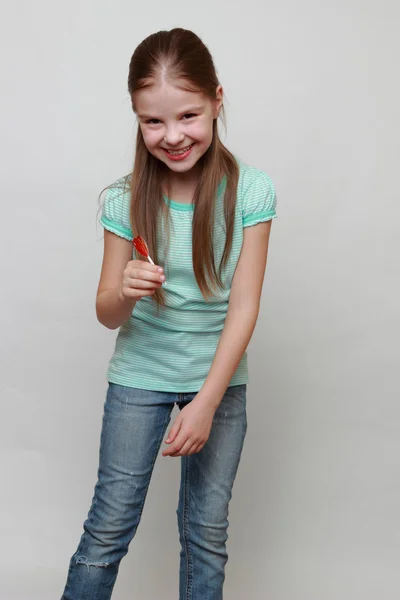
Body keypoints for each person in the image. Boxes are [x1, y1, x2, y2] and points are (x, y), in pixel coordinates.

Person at [61, 26, 277, 600]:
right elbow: (108, 313)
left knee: (206, 534)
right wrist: (126, 290)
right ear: (136, 117)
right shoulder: (123, 198)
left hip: (220, 383)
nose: (173, 136)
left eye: (188, 115)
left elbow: (245, 305)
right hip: (140, 374)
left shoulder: (251, 193)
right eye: (153, 121)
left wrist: (207, 402)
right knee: (107, 530)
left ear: (217, 101)